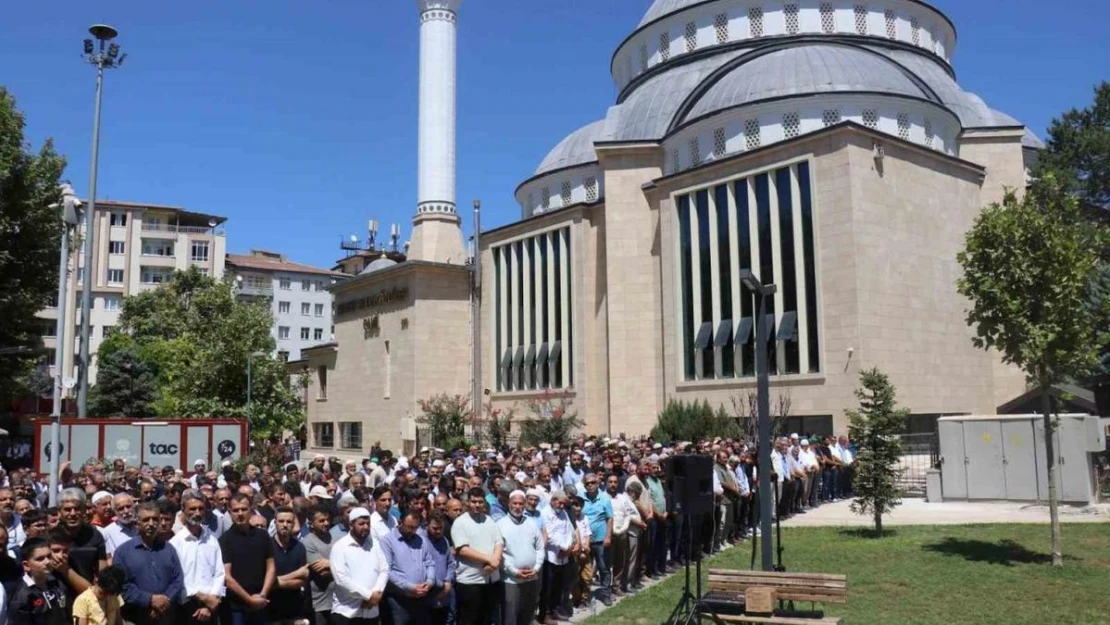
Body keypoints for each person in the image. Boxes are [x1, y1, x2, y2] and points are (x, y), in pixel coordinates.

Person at [111, 502, 184, 625]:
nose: (151, 524)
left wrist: (164, 602)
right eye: (146, 520)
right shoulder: (122, 552)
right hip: (135, 617)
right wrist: (150, 600)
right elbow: (122, 586)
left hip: (166, 617)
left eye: (155, 519)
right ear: (137, 523)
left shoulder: (169, 549)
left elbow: (177, 579)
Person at [169, 490, 225, 625]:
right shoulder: (175, 543)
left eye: (201, 509)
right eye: (192, 509)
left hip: (211, 607)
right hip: (186, 607)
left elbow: (219, 573)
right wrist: (201, 596)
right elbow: (176, 578)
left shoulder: (212, 540)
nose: (197, 513)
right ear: (183, 510)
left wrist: (210, 602)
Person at [220, 492, 275, 625]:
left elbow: (271, 568)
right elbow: (227, 577)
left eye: (244, 509)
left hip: (262, 603)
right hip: (237, 607)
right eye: (236, 510)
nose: (240, 513)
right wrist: (250, 600)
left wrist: (262, 595)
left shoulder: (263, 536)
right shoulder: (224, 540)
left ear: (251, 510)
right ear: (230, 512)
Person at [451, 487, 503, 625]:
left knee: (486, 619)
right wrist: (489, 560)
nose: (477, 505)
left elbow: (499, 543)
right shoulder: (460, 522)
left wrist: (495, 562)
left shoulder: (489, 520)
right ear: (468, 502)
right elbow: (463, 550)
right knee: (469, 620)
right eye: (474, 502)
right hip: (470, 581)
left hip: (490, 579)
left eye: (480, 502)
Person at [330, 507, 388, 625]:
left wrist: (377, 593)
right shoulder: (340, 547)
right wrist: (369, 596)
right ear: (351, 525)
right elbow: (341, 579)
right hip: (347, 613)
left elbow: (384, 569)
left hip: (371, 612)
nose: (366, 527)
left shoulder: (375, 545)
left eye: (368, 523)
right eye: (361, 524)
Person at [497, 490, 544, 625]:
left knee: (528, 616)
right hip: (511, 580)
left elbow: (540, 548)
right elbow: (500, 555)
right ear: (509, 504)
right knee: (510, 618)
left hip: (532, 577)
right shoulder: (501, 525)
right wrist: (515, 572)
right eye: (515, 503)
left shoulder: (531, 523)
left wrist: (536, 568)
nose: (518, 507)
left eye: (520, 504)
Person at [380, 510, 435, 624]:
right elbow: (387, 570)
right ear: (400, 523)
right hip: (399, 599)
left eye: (415, 528)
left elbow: (430, 563)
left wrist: (430, 582)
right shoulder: (387, 541)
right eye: (409, 527)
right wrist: (410, 587)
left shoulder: (421, 540)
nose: (412, 531)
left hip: (421, 597)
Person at [57, 488, 107, 601]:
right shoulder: (51, 537)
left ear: (84, 510)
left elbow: (102, 572)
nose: (73, 514)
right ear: (59, 512)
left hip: (89, 599)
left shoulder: (95, 535)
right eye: (67, 509)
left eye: (77, 509)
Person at [8, 537, 68, 625]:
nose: (47, 562)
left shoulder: (57, 584)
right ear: (26, 565)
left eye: (49, 556)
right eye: (40, 559)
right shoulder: (21, 596)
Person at [539, 490, 574, 624]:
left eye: (563, 504)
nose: (561, 506)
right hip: (551, 555)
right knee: (547, 587)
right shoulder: (545, 513)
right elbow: (548, 534)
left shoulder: (563, 513)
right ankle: (545, 614)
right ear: (552, 501)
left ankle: (555, 610)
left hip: (563, 556)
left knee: (558, 586)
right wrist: (563, 547)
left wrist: (569, 547)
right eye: (559, 503)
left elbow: (569, 529)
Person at [271, 506, 309, 625]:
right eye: (281, 521)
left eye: (289, 521)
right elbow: (264, 582)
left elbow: (302, 581)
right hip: (271, 612)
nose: (285, 525)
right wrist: (296, 574)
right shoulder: (266, 547)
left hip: (295, 610)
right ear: (275, 522)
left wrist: (276, 582)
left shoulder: (299, 547)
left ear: (294, 524)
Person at [580, 473, 613, 606]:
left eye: (593, 482)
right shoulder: (581, 498)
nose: (590, 485)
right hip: (586, 540)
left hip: (600, 539)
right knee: (584, 569)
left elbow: (610, 518)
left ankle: (605, 593)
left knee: (604, 567)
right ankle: (584, 596)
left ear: (598, 484)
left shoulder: (604, 499)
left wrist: (608, 536)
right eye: (587, 483)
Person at [302, 506, 336, 625]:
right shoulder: (307, 542)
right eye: (321, 520)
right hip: (320, 603)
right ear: (311, 524)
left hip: (338, 601)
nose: (326, 523)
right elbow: (322, 572)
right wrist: (342, 568)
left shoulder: (334, 537)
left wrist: (329, 563)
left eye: (327, 520)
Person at [423, 510, 455, 625]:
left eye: (440, 528)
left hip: (444, 595)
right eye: (434, 528)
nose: (438, 531)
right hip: (427, 595)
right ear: (427, 525)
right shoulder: (421, 541)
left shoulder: (444, 540)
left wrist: (447, 582)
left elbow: (450, 563)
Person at [103, 493, 138, 561]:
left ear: (134, 506)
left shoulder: (142, 527)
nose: (126, 511)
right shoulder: (107, 533)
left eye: (128, 506)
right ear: (114, 512)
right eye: (121, 509)